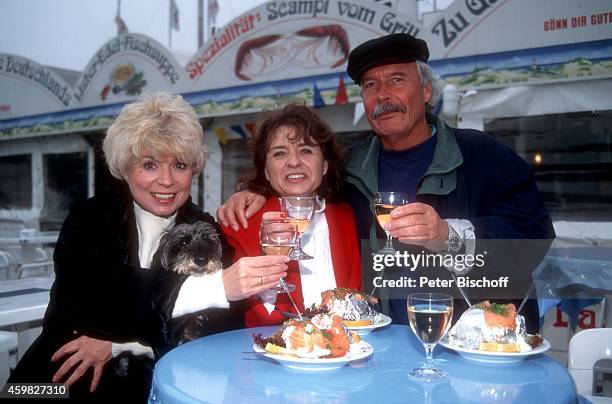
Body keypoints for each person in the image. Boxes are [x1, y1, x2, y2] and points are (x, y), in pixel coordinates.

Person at [217, 34, 555, 331]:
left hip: (472, 344)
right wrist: (257, 192)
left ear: (425, 91)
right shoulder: (350, 167)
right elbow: (301, 184)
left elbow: (534, 240)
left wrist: (446, 237)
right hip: (383, 345)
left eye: (396, 80)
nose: (383, 95)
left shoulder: (482, 156)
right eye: (370, 85)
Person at [8, 93, 288, 402]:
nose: (166, 181)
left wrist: (121, 344)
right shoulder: (89, 218)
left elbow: (220, 325)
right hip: (54, 381)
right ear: (125, 168)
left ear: (193, 170)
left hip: (156, 384)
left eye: (179, 165)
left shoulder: (207, 228)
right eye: (150, 164)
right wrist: (213, 288)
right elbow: (90, 305)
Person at [222, 103, 362, 326]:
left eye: (306, 150)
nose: (294, 162)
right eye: (279, 153)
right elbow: (242, 313)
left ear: (325, 165)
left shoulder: (348, 218)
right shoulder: (239, 223)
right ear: (267, 172)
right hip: (267, 356)